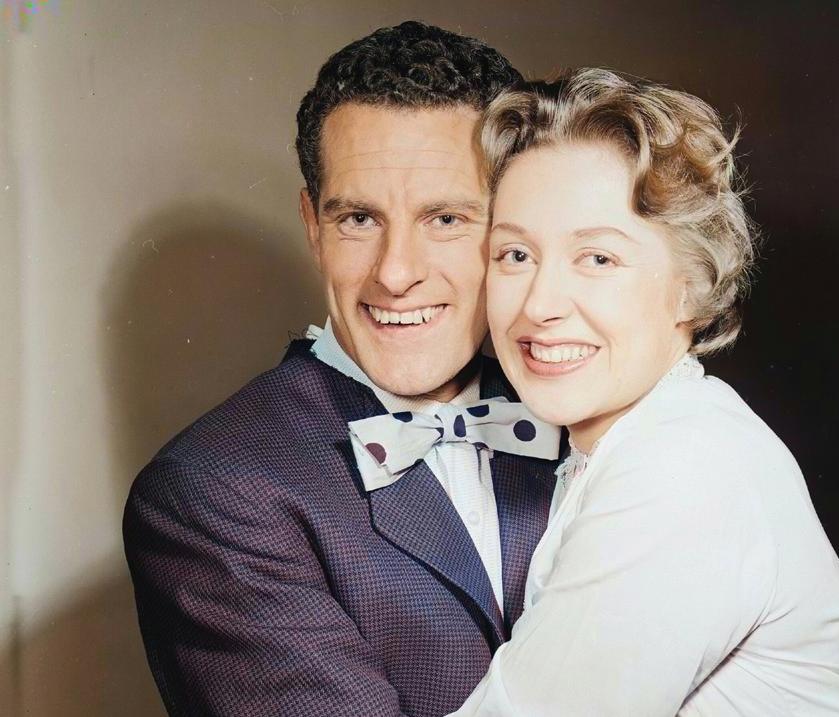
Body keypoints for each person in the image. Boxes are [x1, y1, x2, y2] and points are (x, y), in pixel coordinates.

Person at [123, 22, 561, 717]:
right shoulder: (210, 490)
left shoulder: (586, 417)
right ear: (312, 225)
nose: (396, 273)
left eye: (446, 218)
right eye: (358, 218)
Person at [450, 68, 839, 715]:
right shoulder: (646, 439)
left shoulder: (680, 466)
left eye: (597, 258)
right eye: (515, 255)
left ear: (691, 286)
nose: (539, 304)